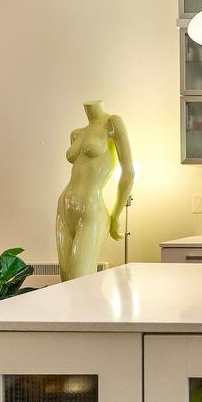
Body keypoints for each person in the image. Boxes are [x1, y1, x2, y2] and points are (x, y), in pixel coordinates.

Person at [55, 101, 134, 281]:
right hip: (64, 208)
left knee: (79, 279)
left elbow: (128, 171)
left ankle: (99, 309)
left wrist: (116, 214)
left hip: (91, 209)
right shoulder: (76, 134)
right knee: (66, 279)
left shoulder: (112, 123)